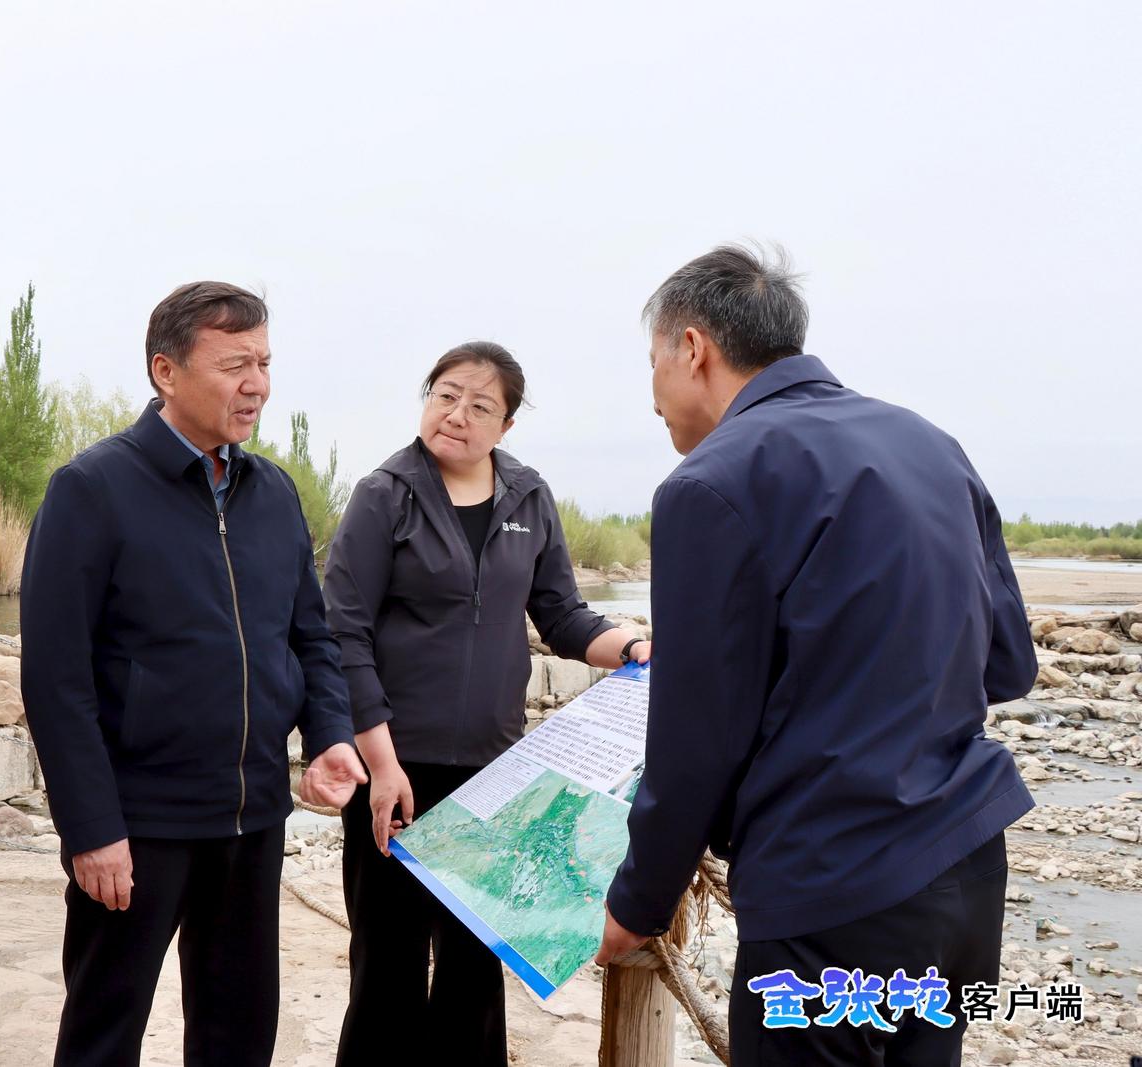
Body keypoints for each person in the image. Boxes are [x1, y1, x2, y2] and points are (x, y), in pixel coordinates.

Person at [595, 245, 1038, 1066]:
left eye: (652, 359)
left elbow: (697, 740)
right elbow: (1008, 664)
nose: (652, 389)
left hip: (831, 891)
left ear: (692, 348)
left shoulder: (711, 482)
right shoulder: (932, 444)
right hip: (963, 869)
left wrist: (639, 901)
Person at [20, 280, 367, 1067]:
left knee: (239, 1036)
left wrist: (330, 733)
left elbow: (311, 635)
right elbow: (56, 679)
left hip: (252, 818)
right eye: (235, 364)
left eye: (265, 363)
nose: (257, 384)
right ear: (165, 371)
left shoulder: (274, 493)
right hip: (139, 825)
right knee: (103, 1036)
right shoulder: (91, 490)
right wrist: (91, 827)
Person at [322, 341, 652, 1066]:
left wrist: (629, 644)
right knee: (388, 961)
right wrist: (380, 764)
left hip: (497, 773)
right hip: (397, 767)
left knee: (475, 963)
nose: (456, 414)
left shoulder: (527, 496)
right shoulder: (385, 494)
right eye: (445, 395)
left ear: (506, 425)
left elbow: (561, 614)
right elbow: (343, 633)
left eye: (480, 406)